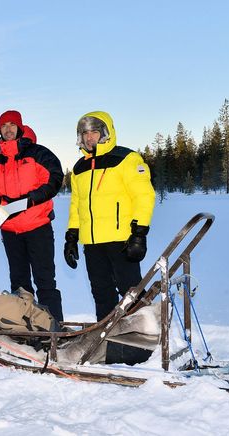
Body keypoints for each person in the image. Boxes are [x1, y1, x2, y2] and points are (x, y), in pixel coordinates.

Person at [64, 111, 156, 321]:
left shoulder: (127, 159)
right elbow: (76, 206)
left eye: (94, 132)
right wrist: (71, 237)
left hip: (121, 240)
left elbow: (144, 196)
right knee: (101, 293)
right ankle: (105, 337)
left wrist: (139, 233)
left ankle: (140, 333)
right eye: (85, 133)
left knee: (130, 292)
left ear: (105, 133)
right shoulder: (79, 168)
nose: (89, 138)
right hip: (92, 243)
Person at [0, 110, 65, 322]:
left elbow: (54, 179)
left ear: (20, 127)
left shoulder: (38, 153)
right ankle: (26, 329)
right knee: (19, 285)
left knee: (45, 281)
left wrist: (30, 199)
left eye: (12, 125)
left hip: (38, 227)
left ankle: (54, 331)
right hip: (10, 232)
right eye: (4, 126)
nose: (8, 129)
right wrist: (3, 205)